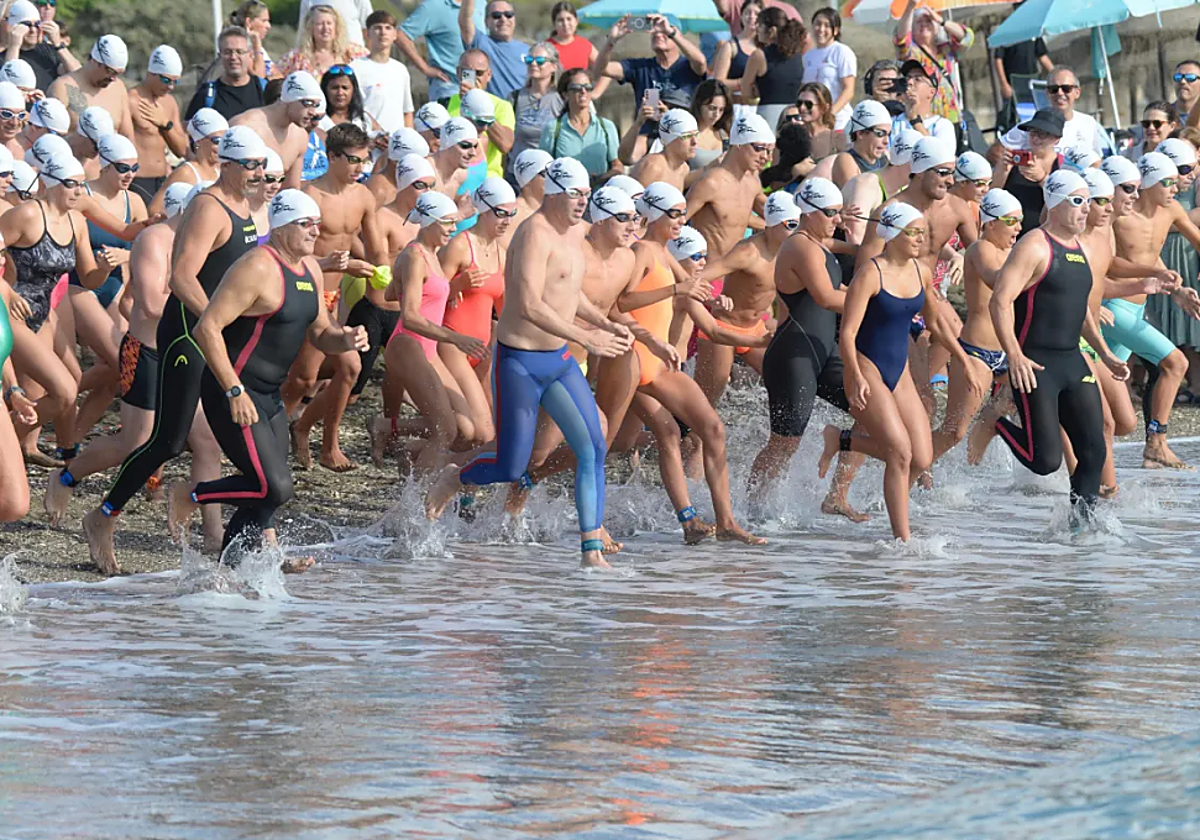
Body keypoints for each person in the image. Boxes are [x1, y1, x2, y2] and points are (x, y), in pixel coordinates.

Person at [425, 157, 635, 570]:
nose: (582, 202)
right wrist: (586, 338)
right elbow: (529, 305)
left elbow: (568, 292)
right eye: (575, 194)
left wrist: (604, 322)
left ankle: (590, 551)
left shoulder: (575, 234)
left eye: (586, 194)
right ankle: (455, 477)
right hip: (520, 361)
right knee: (511, 464)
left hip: (557, 361)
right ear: (553, 193)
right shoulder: (534, 234)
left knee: (592, 446)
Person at [82, 126, 267, 576]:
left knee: (229, 436)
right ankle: (100, 517)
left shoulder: (244, 205)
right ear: (228, 163)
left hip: (211, 331)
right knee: (166, 439)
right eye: (251, 165)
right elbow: (182, 280)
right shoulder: (208, 207)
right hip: (188, 333)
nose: (260, 173)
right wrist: (214, 323)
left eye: (263, 165)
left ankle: (252, 545)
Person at [172, 189, 368, 567]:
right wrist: (233, 390)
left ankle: (237, 572)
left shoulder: (310, 268)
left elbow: (319, 331)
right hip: (230, 387)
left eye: (317, 224)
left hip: (268, 393)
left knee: (269, 491)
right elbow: (207, 328)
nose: (315, 232)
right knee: (273, 486)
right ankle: (190, 494)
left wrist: (344, 338)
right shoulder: (258, 267)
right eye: (306, 224)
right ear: (280, 227)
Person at [44, 183, 225, 549]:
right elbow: (152, 304)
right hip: (148, 351)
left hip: (189, 350)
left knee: (206, 441)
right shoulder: (156, 240)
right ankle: (66, 478)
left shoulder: (207, 243)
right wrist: (211, 305)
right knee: (135, 442)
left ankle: (213, 533)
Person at [821, 202, 985, 541]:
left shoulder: (920, 271)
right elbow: (847, 333)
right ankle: (902, 540)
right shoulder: (870, 272)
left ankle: (841, 439)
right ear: (893, 233)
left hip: (900, 370)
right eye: (913, 232)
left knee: (922, 458)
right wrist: (854, 376)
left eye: (923, 233)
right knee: (899, 452)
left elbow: (937, 322)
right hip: (869, 366)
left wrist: (965, 360)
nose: (921, 239)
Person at [985, 170, 1128, 522]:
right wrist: (1014, 355)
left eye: (1088, 201)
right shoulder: (1034, 245)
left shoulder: (1081, 249)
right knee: (1046, 461)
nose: (1085, 209)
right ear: (1054, 203)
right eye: (1077, 201)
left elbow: (1081, 313)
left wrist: (1106, 355)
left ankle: (1081, 526)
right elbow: (1000, 302)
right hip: (1035, 365)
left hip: (1073, 361)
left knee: (1094, 449)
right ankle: (997, 421)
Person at [2, 151, 124, 484]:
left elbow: (89, 277)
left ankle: (7, 449)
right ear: (52, 184)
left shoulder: (76, 222)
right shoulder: (26, 214)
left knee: (57, 394)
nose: (79, 193)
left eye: (82, 186)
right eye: (72, 185)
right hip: (11, 312)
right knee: (65, 389)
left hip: (42, 314)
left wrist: (106, 266)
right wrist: (6, 289)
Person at [748, 179, 853, 506]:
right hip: (793, 356)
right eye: (831, 213)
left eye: (839, 212)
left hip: (823, 353)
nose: (838, 220)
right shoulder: (799, 246)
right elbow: (824, 297)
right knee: (784, 443)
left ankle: (837, 498)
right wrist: (869, 301)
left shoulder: (821, 244)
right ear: (808, 212)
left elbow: (853, 250)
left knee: (870, 411)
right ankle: (753, 506)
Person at [289, 122, 386, 471]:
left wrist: (383, 275)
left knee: (347, 369)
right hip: (306, 293)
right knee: (302, 379)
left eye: (365, 159)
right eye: (354, 160)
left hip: (337, 297)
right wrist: (330, 263)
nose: (361, 167)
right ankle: (285, 433)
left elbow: (377, 248)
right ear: (331, 157)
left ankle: (322, 440)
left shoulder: (362, 196)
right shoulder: (310, 197)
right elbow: (287, 255)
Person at [689, 190, 799, 467]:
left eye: (800, 224)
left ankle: (768, 442)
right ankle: (689, 447)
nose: (798, 232)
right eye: (791, 225)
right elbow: (698, 279)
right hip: (723, 328)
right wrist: (714, 298)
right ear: (773, 224)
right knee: (706, 402)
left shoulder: (792, 251)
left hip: (755, 329)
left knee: (787, 382)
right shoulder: (748, 252)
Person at [1105, 150, 1200, 469]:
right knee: (1176, 364)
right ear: (1148, 184)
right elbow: (1109, 263)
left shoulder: (1170, 208)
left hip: (1135, 309)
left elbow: (1154, 254)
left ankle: (1084, 471)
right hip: (1112, 307)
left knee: (1111, 411)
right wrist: (1156, 276)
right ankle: (1157, 443)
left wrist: (1178, 290)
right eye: (1169, 182)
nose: (1176, 188)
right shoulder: (1118, 215)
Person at [379, 189, 483, 474]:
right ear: (428, 222)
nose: (453, 228)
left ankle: (395, 438)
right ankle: (416, 508)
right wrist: (456, 338)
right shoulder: (415, 256)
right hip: (408, 344)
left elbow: (391, 292)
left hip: (426, 347)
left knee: (466, 429)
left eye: (453, 222)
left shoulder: (429, 254)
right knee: (445, 431)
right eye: (447, 223)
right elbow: (410, 316)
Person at [929, 188, 1020, 464]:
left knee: (1024, 406)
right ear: (990, 223)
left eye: (1020, 220)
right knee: (953, 431)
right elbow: (995, 280)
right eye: (1011, 221)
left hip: (1009, 352)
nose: (1019, 227)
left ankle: (973, 469)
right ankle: (908, 469)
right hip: (977, 353)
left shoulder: (1012, 252)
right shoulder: (980, 249)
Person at [438, 175, 516, 441]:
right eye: (501, 213)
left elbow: (505, 312)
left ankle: (407, 443)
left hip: (480, 350)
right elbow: (429, 297)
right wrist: (458, 283)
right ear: (484, 210)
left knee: (484, 434)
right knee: (481, 433)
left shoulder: (501, 254)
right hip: (452, 343)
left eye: (511, 213)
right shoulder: (459, 246)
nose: (507, 220)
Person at [1146, 131, 1200, 400]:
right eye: (1187, 169)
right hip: (1119, 296)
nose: (1192, 174)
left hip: (1143, 290)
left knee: (1172, 362)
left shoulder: (1171, 209)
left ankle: (1155, 437)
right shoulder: (1130, 206)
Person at [686, 113, 773, 273]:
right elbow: (674, 224)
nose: (765, 158)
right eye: (759, 148)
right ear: (739, 144)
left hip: (737, 277)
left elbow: (774, 215)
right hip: (709, 275)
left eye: (768, 151)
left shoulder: (753, 181)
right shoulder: (711, 183)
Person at [594, 13, 707, 124]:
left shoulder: (689, 65)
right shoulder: (640, 67)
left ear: (677, 35)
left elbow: (701, 62)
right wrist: (611, 41)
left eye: (664, 31)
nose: (658, 35)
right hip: (648, 137)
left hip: (682, 136)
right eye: (655, 31)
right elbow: (601, 69)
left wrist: (671, 33)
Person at [231, 70, 324, 189]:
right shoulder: (246, 127)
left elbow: (291, 189)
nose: (313, 112)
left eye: (315, 105)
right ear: (289, 99)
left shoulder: (300, 136)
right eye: (307, 103)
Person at [893, 0, 973, 124]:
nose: (924, 25)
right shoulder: (912, 53)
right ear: (912, 29)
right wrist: (910, 7)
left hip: (952, 118)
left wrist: (941, 21)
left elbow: (967, 37)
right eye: (919, 22)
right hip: (925, 119)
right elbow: (900, 39)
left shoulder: (946, 50)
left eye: (928, 21)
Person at [1001, 66, 1109, 157]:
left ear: (1077, 92)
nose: (1060, 93)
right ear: (1047, 93)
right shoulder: (1030, 126)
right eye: (1054, 89)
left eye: (1066, 88)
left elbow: (1097, 160)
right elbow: (995, 153)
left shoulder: (1088, 123)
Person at [127, 45, 188, 203]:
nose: (170, 87)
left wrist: (164, 124)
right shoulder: (131, 101)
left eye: (175, 81)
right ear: (151, 73)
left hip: (163, 181)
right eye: (166, 80)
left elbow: (182, 149)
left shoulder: (170, 102)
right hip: (137, 181)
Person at [538, 69, 620, 183]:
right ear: (565, 94)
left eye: (588, 87)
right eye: (576, 88)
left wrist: (600, 178)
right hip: (565, 196)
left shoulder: (606, 127)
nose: (583, 91)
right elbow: (543, 168)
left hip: (598, 195)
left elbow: (617, 166)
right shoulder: (552, 128)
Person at [446, 51, 516, 182]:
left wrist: (479, 107)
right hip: (453, 180)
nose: (474, 78)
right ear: (458, 73)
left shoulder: (501, 106)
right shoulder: (445, 104)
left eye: (479, 73)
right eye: (467, 73)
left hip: (487, 181)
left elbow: (506, 145)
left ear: (488, 75)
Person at [397, 0, 484, 105]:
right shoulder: (432, 6)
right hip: (448, 86)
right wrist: (425, 68)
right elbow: (401, 35)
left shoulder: (481, 3)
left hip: (477, 85)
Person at [992, 108, 1061, 237]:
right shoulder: (1016, 160)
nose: (1035, 138)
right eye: (1032, 132)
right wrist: (1002, 170)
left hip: (1045, 237)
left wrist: (1043, 179)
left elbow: (1064, 203)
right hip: (1009, 236)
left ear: (1056, 139)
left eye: (1043, 134)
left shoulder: (1062, 166)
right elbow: (992, 197)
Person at [47, 33, 132, 139]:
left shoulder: (118, 88)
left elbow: (127, 137)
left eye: (119, 73)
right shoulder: (63, 87)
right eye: (110, 71)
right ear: (94, 60)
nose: (113, 78)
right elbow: (48, 137)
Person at [2, 282, 38, 521]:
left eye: (3, 251)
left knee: (14, 503)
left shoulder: (2, 289)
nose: (2, 257)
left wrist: (13, 390)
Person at [148, 107, 227, 214]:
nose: (223, 146)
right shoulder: (186, 173)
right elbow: (154, 209)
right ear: (199, 141)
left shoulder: (219, 171)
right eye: (217, 140)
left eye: (226, 140)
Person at [742, 8, 805, 133]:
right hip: (794, 116)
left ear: (772, 31)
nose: (756, 29)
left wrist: (756, 92)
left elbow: (746, 93)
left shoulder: (758, 56)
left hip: (768, 117)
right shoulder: (798, 56)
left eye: (759, 25)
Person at [184, 26, 267, 122]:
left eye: (239, 52)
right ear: (220, 56)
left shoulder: (265, 90)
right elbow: (188, 130)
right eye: (228, 52)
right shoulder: (207, 95)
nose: (233, 57)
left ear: (250, 55)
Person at [352, 10, 414, 133]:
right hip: (367, 143)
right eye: (377, 28)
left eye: (388, 28)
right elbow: (351, 113)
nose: (383, 32)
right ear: (368, 33)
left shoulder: (400, 70)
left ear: (395, 34)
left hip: (397, 143)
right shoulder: (355, 68)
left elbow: (407, 112)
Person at [458, 0, 528, 100]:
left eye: (509, 15)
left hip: (521, 112)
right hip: (489, 111)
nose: (503, 19)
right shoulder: (480, 42)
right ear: (486, 22)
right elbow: (464, 20)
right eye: (496, 15)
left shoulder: (527, 50)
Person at [509, 41, 561, 172]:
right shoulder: (514, 97)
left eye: (539, 60)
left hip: (549, 173)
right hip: (518, 173)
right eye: (529, 60)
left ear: (554, 66)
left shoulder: (562, 99)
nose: (533, 64)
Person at [5, 0, 78, 93]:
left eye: (37, 24)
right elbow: (9, 84)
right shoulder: (6, 57)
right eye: (27, 25)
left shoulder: (49, 51)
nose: (33, 30)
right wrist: (14, 47)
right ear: (14, 27)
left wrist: (59, 45)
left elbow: (77, 74)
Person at [280, 4, 368, 78]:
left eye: (329, 23)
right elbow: (277, 80)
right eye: (320, 24)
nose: (325, 28)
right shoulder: (296, 57)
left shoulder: (353, 52)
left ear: (336, 27)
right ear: (310, 27)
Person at [802, 8, 855, 131]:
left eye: (826, 25)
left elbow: (848, 90)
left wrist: (830, 114)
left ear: (835, 30)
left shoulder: (842, 52)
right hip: (813, 125)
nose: (821, 29)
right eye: (817, 24)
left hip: (839, 122)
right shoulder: (807, 56)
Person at [992, 16, 1051, 111]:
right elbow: (998, 59)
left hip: (1033, 82)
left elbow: (1042, 56)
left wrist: (1057, 75)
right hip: (1013, 85)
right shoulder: (1006, 31)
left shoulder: (1033, 31)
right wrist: (1004, 84)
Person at [890, 59, 954, 147]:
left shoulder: (941, 125)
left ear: (931, 92)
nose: (909, 82)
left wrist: (915, 120)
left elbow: (939, 157)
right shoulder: (891, 122)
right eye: (907, 78)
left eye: (918, 79)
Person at [829, 99, 890, 188]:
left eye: (889, 134)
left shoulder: (884, 159)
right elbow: (857, 197)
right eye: (880, 133)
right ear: (860, 133)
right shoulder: (846, 160)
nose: (886, 141)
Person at [629, 108, 695, 190]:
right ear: (670, 139)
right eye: (687, 136)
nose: (694, 142)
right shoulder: (652, 167)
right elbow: (633, 201)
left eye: (696, 135)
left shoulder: (684, 169)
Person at [318, 64, 380, 141]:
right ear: (325, 90)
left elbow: (385, 141)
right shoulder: (317, 119)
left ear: (353, 91)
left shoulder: (363, 118)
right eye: (335, 88)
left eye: (345, 88)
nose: (340, 92)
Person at [712, 0, 762, 95]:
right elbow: (718, 81)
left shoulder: (767, 46)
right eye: (747, 13)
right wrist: (743, 83)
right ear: (741, 17)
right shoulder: (730, 46)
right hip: (737, 103)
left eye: (756, 14)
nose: (752, 17)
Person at [689, 79, 731, 176]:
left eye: (721, 110)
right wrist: (710, 167)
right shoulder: (686, 133)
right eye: (712, 108)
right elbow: (680, 180)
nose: (716, 114)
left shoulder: (725, 135)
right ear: (699, 104)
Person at [229, 0, 276, 80]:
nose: (268, 26)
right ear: (249, 22)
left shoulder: (256, 47)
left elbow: (277, 76)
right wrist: (257, 43)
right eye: (264, 21)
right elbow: (259, 77)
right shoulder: (240, 48)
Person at [548, 1, 599, 73]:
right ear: (554, 24)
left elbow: (605, 69)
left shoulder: (585, 45)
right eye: (560, 20)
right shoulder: (545, 48)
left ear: (576, 21)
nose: (565, 24)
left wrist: (600, 85)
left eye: (569, 19)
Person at [794, 82, 840, 161]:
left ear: (824, 108)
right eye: (799, 103)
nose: (802, 108)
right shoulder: (790, 137)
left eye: (809, 104)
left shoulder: (836, 140)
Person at [297, 0, 374, 47]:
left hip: (353, 57)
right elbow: (304, 31)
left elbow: (369, 28)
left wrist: (369, 58)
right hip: (320, 59)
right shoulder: (308, 1)